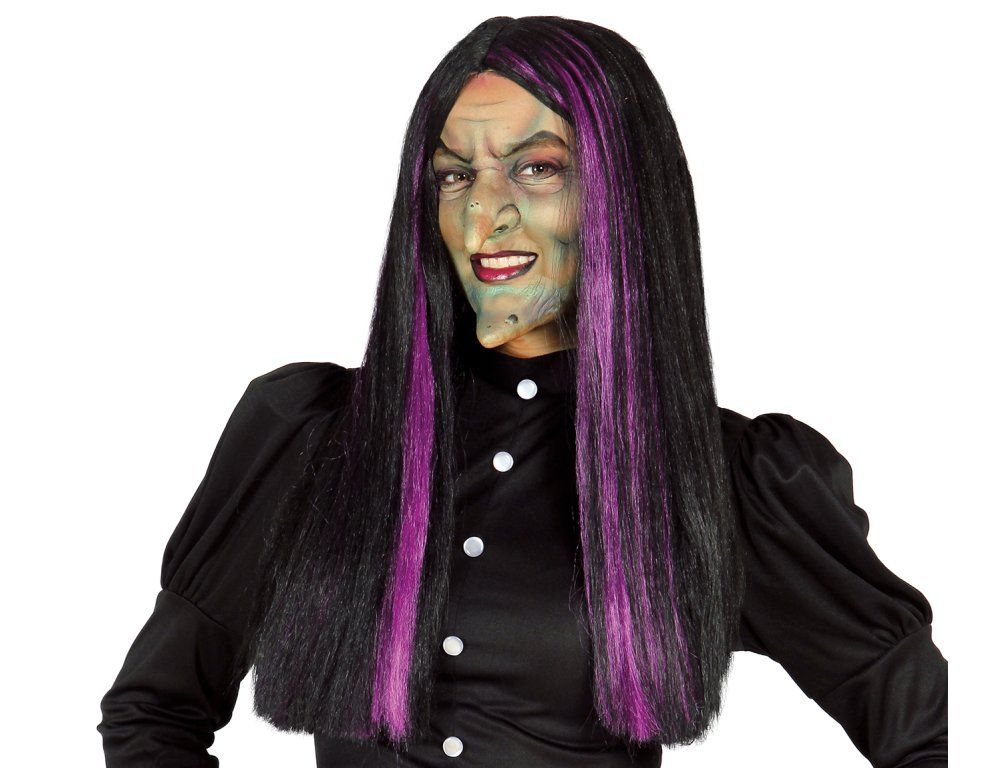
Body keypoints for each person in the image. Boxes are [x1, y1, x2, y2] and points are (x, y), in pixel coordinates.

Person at [96, 15, 948, 768]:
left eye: (536, 168)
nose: (483, 215)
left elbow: (931, 731)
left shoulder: (719, 483)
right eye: (454, 176)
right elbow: (154, 714)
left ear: (622, 195)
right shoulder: (311, 440)